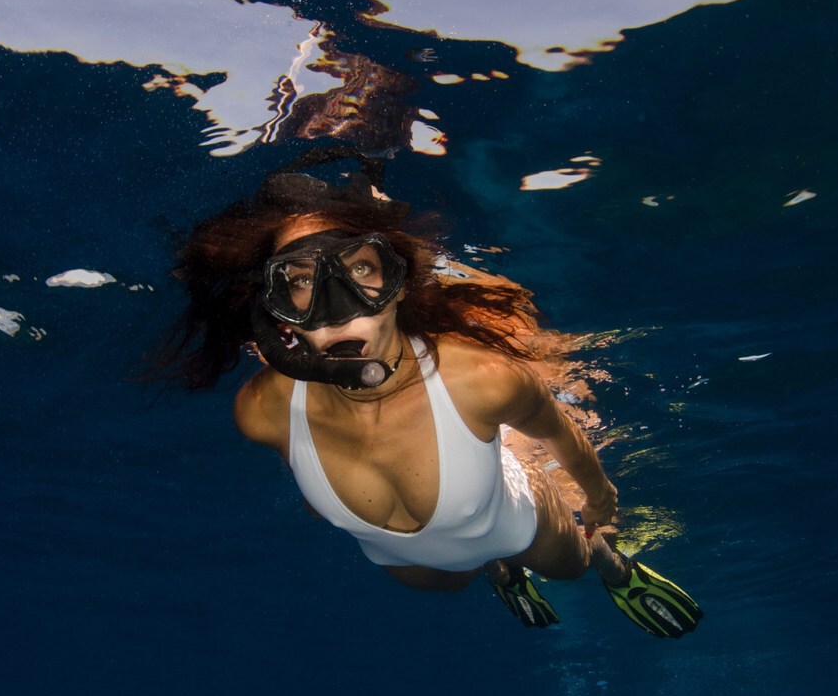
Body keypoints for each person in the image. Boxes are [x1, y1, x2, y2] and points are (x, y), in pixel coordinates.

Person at [154, 164, 701, 636]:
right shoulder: (261, 411)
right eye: (299, 281)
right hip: (405, 559)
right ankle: (501, 572)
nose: (339, 309)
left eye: (361, 269)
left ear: (397, 283)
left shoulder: (483, 379)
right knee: (448, 585)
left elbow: (559, 431)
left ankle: (614, 568)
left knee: (572, 565)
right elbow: (299, 462)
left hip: (514, 522)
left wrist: (600, 498)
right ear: (277, 315)